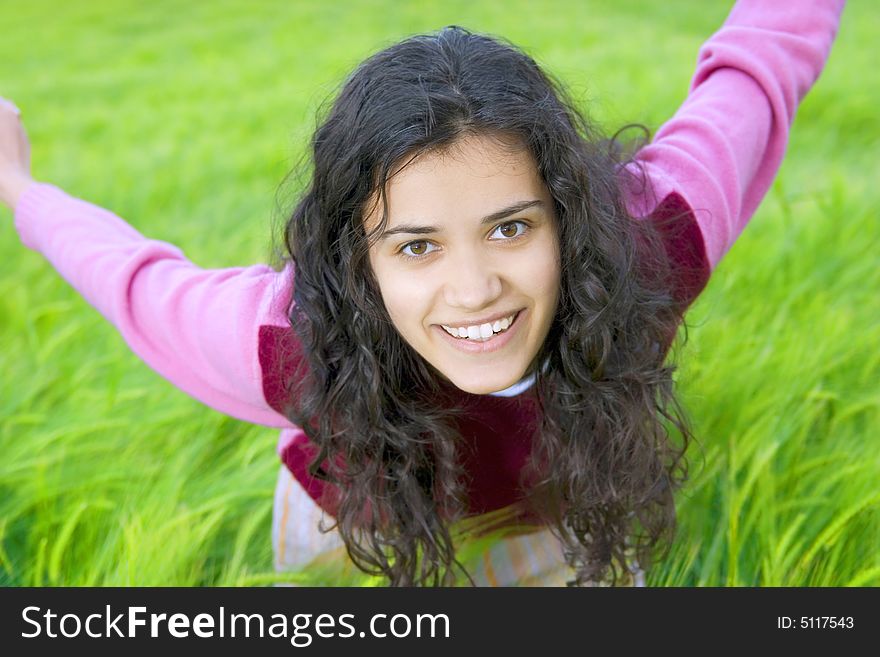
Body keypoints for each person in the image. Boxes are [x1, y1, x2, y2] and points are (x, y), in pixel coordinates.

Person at [0, 0, 845, 587]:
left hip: (569, 507)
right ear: (354, 262)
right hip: (362, 525)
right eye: (415, 246)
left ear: (570, 214)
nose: (475, 291)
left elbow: (757, 68)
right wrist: (19, 188)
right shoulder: (288, 341)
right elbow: (135, 279)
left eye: (513, 227)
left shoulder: (650, 239)